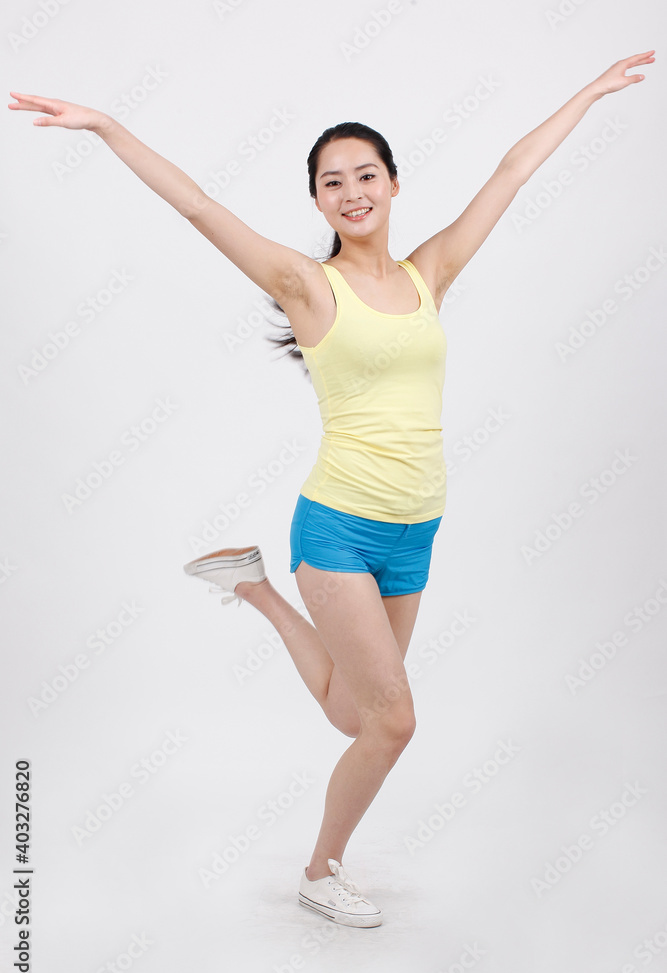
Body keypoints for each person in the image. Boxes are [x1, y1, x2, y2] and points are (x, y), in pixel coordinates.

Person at [9, 49, 654, 928]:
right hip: (339, 527)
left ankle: (253, 588)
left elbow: (509, 171)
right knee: (393, 725)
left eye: (365, 175)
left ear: (392, 184)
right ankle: (320, 869)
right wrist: (111, 127)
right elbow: (199, 205)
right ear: (317, 202)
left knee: (355, 712)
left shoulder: (429, 275)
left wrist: (586, 92)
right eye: (330, 182)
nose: (350, 192)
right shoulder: (308, 287)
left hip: (415, 529)